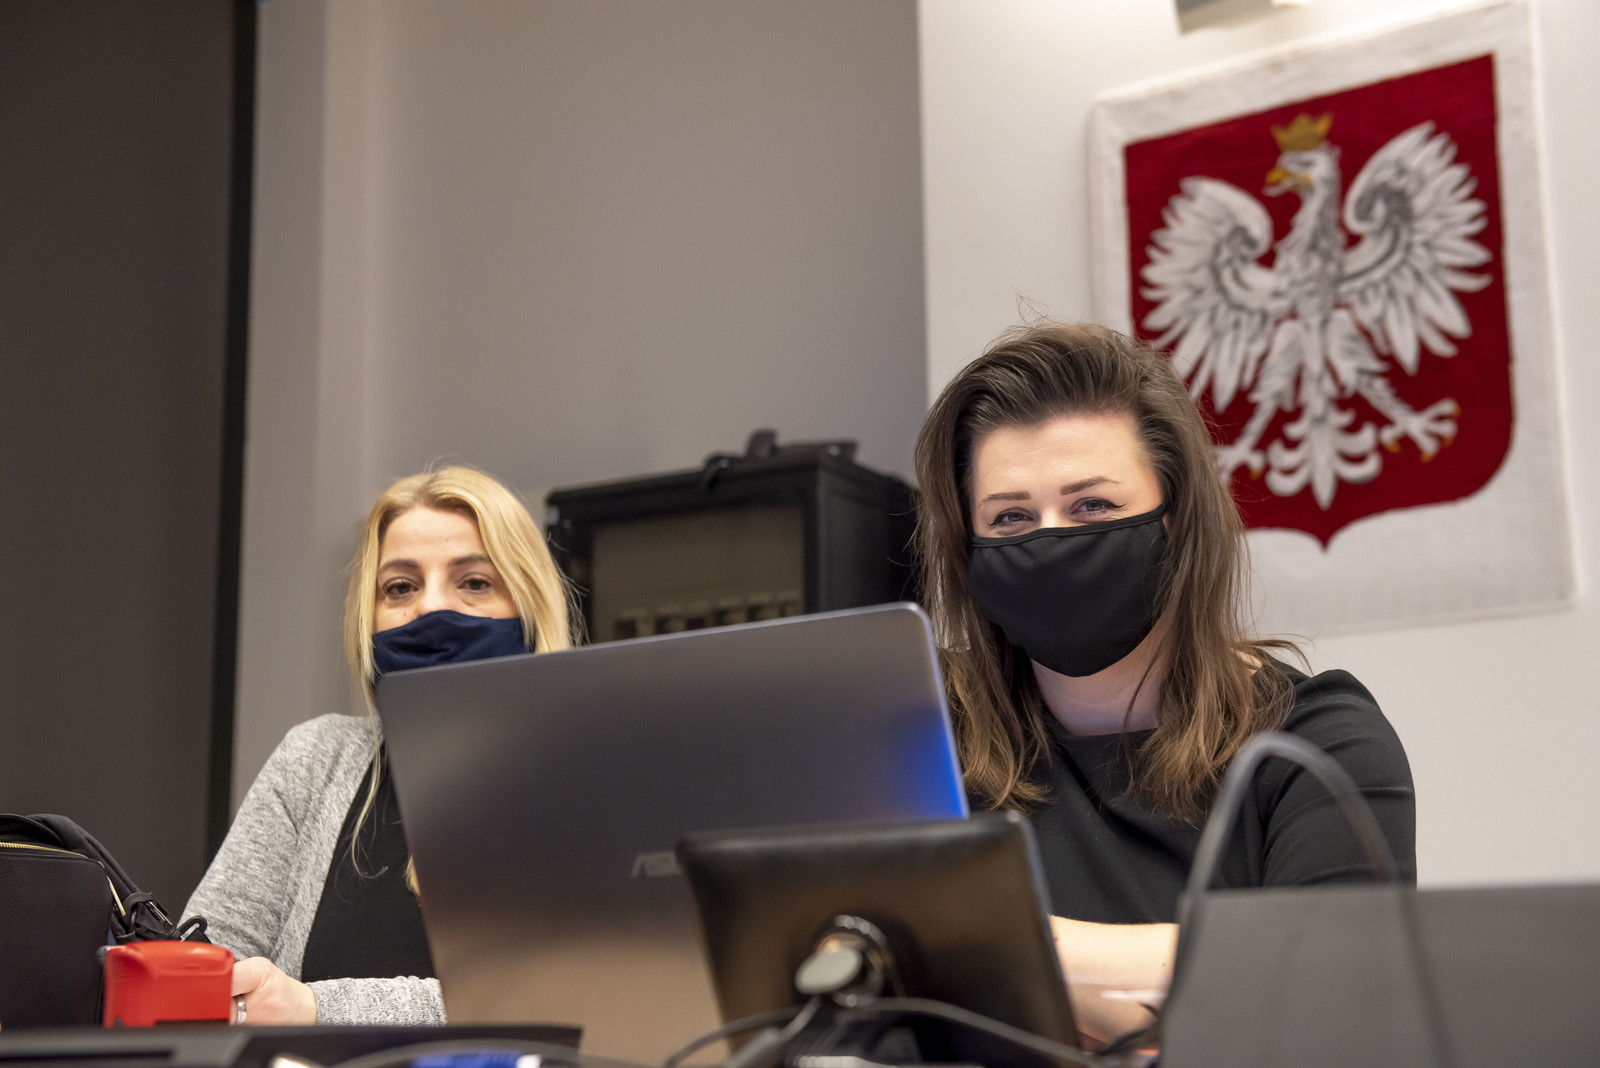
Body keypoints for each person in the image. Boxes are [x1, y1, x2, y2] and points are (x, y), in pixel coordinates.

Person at [913, 322, 1415, 1044]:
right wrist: (1198, 983)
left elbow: (1330, 1002)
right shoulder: (922, 735)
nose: (1050, 538)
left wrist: (973, 945)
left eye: (1093, 506)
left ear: (1175, 522)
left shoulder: (1320, 744)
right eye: (1011, 518)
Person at [186, 466, 577, 1025]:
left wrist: (314, 1008)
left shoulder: (586, 780)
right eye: (400, 588)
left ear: (531, 607)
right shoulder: (315, 759)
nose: (430, 609)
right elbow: (208, 964)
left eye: (474, 582)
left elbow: (564, 996)